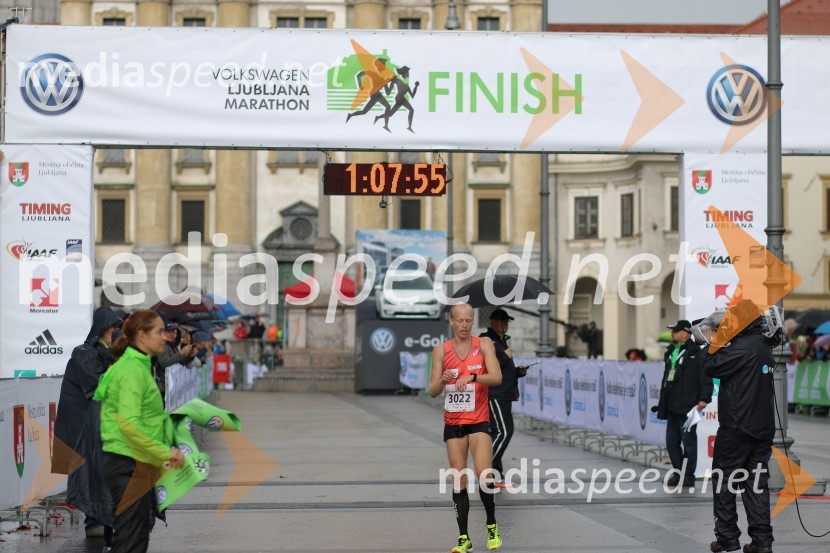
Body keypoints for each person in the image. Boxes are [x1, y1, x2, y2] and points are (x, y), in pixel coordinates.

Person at [94, 309, 184, 553]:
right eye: (159, 331)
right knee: (131, 541)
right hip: (127, 463)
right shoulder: (132, 370)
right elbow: (129, 424)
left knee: (134, 538)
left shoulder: (137, 366)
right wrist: (165, 453)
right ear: (142, 336)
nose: (165, 337)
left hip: (133, 462)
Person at [700, 301, 776, 553]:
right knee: (756, 485)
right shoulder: (762, 345)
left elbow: (710, 365)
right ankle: (762, 541)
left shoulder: (741, 348)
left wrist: (712, 341)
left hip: (737, 425)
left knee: (724, 481)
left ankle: (727, 536)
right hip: (762, 427)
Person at [429, 303, 503, 553]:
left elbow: (496, 377)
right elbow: (432, 391)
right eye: (459, 321)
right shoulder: (441, 350)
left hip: (479, 420)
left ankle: (491, 524)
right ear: (451, 322)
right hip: (453, 424)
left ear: (473, 322)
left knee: (483, 474)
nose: (463, 325)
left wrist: (473, 377)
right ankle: (464, 537)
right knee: (458, 479)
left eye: (468, 321)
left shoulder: (483, 345)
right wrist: (442, 380)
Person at [52, 306, 123, 539]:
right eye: (113, 328)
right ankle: (93, 522)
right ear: (102, 329)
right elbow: (94, 386)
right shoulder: (83, 352)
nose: (116, 333)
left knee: (103, 472)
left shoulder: (113, 353)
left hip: (104, 426)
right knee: (88, 474)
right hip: (83, 427)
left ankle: (104, 519)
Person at [655, 319, 713, 488]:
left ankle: (688, 475)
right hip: (672, 404)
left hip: (689, 405)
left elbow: (705, 377)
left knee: (688, 442)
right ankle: (679, 472)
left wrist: (704, 398)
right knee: (671, 442)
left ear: (684, 333)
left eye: (674, 331)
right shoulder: (671, 351)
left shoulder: (697, 352)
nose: (671, 334)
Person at [480, 308, 525, 482]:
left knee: (496, 432)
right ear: (493, 322)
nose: (506, 325)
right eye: (503, 321)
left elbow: (502, 370)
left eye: (507, 322)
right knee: (504, 432)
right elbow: (487, 366)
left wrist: (517, 372)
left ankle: (496, 474)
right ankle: (485, 467)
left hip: (504, 393)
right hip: (495, 394)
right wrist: (505, 357)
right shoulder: (487, 340)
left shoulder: (501, 341)